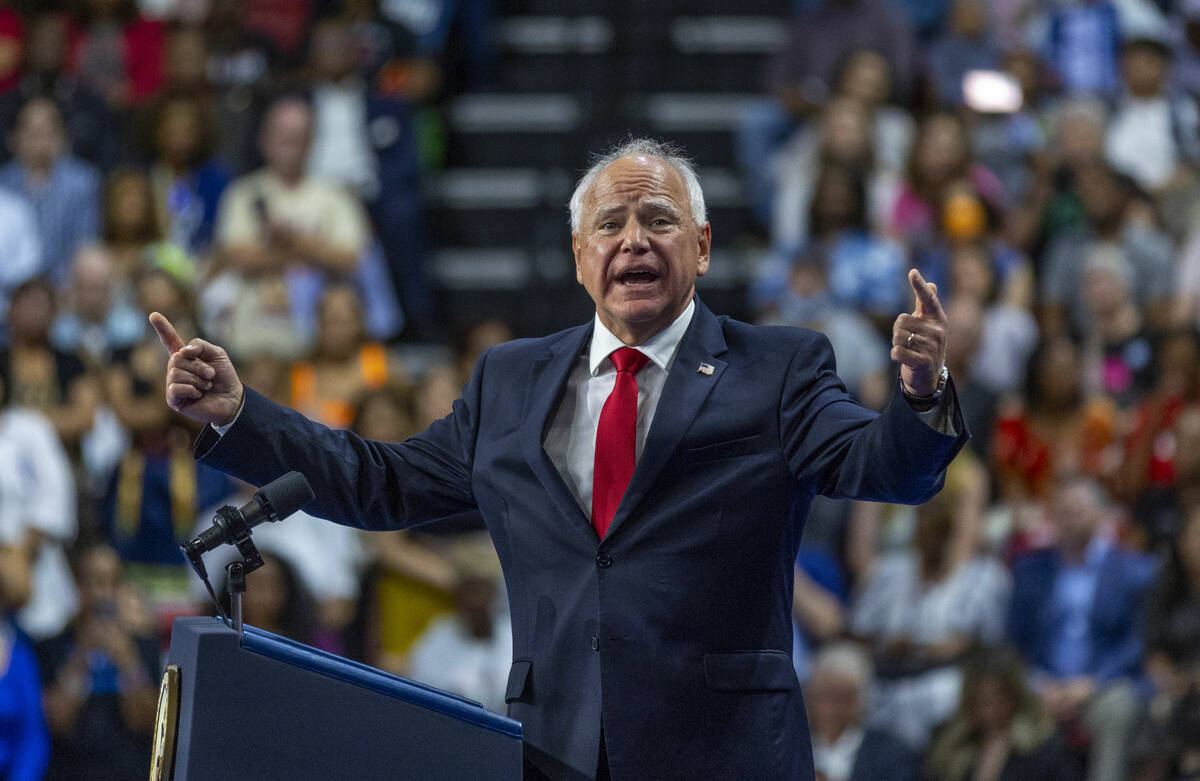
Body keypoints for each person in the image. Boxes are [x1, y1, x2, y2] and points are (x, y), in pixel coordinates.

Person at [151, 138, 967, 781]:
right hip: (555, 752)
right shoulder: (510, 379)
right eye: (610, 225)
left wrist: (922, 392)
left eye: (659, 219)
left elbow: (882, 466)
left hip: (724, 753)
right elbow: (383, 482)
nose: (634, 241)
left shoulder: (779, 366)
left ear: (705, 245)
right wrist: (240, 413)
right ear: (580, 254)